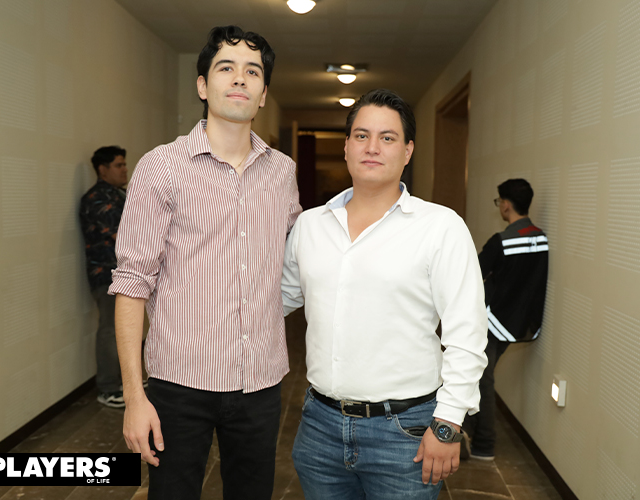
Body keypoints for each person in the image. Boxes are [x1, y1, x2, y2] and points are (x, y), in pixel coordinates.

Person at [109, 26, 301, 500]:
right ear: (202, 85)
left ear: (262, 94)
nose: (239, 79)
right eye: (225, 68)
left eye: (253, 72)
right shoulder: (161, 167)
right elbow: (131, 283)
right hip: (180, 385)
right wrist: (134, 397)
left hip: (260, 382)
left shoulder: (283, 172)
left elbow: (295, 258)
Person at [282, 89, 488, 500]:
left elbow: (467, 332)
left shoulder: (439, 227)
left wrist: (448, 424)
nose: (372, 147)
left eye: (387, 137)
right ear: (346, 147)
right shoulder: (310, 226)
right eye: (361, 136)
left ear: (408, 151)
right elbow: (273, 301)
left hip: (405, 433)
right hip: (319, 427)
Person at [463, 179, 548, 461]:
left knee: (481, 379)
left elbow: (473, 273)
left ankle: (484, 444)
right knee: (479, 376)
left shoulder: (501, 242)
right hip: (520, 324)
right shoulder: (541, 239)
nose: (500, 206)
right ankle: (468, 430)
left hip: (493, 322)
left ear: (507, 204)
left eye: (500, 202)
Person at [79, 146, 128, 408]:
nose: (124, 169)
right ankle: (108, 388)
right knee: (110, 329)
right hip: (106, 275)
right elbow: (125, 237)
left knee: (124, 329)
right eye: (118, 165)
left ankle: (124, 382)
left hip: (122, 275)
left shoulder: (118, 195)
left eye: (124, 164)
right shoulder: (97, 199)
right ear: (102, 169)